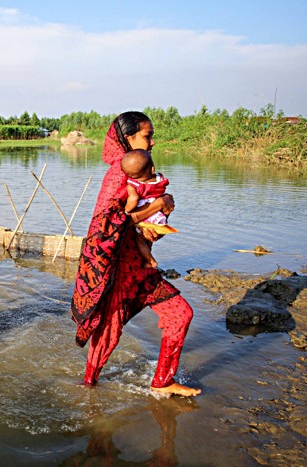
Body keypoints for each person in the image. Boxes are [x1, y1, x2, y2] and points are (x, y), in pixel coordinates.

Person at [71, 111, 200, 397]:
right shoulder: (120, 171)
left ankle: (163, 381)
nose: (152, 142)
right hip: (120, 269)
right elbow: (109, 222)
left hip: (139, 266)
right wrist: (160, 204)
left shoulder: (137, 169)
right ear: (128, 138)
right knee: (108, 332)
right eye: (147, 135)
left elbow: (133, 220)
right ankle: (89, 386)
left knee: (180, 314)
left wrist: (154, 220)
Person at [121, 149, 175, 268]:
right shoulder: (158, 179)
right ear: (152, 169)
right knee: (149, 239)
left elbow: (134, 199)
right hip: (159, 216)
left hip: (145, 217)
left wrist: (126, 211)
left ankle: (150, 261)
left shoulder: (134, 184)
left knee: (139, 240)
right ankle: (148, 255)